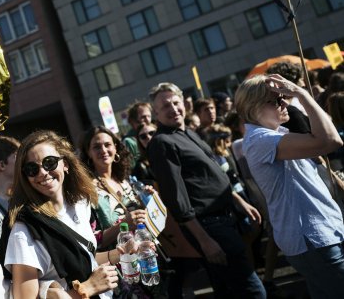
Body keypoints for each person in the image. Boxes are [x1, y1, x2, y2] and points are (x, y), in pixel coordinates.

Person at [147, 82, 265, 298]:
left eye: (175, 102)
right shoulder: (162, 143)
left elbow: (209, 176)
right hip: (209, 227)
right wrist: (204, 240)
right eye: (165, 106)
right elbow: (177, 200)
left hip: (224, 217)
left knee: (229, 291)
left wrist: (238, 200)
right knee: (253, 291)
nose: (173, 109)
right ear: (155, 113)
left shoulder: (189, 133)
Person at [236, 74, 344, 298]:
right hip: (312, 238)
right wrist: (302, 94)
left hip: (319, 234)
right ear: (254, 108)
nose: (285, 102)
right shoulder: (260, 140)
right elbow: (330, 141)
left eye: (284, 97)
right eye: (276, 100)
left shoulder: (273, 134)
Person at [1, 130, 122, 299]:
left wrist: (119, 254)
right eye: (32, 169)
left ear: (65, 164)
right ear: (25, 177)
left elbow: (82, 258)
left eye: (49, 162)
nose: (42, 172)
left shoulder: (80, 204)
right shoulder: (24, 231)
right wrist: (87, 288)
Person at [78, 126, 147, 250]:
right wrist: (124, 224)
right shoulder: (86, 190)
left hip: (146, 254)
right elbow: (91, 243)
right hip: (121, 264)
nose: (103, 150)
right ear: (88, 152)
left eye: (107, 144)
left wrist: (146, 200)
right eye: (96, 147)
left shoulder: (124, 180)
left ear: (115, 147)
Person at [123, 102, 153, 170]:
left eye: (149, 116)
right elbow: (130, 168)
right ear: (133, 120)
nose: (147, 120)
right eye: (143, 117)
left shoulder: (154, 131)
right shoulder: (129, 141)